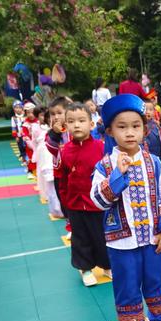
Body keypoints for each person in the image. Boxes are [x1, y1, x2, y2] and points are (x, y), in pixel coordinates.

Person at [91, 94, 161, 321]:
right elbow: (98, 200)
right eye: (122, 127)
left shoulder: (154, 163)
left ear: (144, 128)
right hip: (121, 243)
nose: (130, 133)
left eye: (135, 126)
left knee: (157, 278)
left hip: (153, 238)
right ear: (109, 131)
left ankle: (160, 316)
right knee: (126, 283)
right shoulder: (104, 166)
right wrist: (118, 175)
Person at [59, 102, 111, 286]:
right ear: (66, 125)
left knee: (101, 235)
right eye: (71, 121)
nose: (77, 125)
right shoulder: (65, 151)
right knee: (80, 237)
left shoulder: (101, 147)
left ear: (91, 123)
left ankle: (107, 265)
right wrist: (65, 202)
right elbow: (61, 177)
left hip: (97, 203)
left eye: (81, 120)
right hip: (74, 204)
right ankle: (86, 269)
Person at [46, 96, 73, 237]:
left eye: (59, 113)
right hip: (60, 174)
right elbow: (50, 147)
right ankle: (71, 226)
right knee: (64, 202)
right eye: (52, 114)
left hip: (76, 173)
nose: (56, 117)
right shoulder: (52, 133)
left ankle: (78, 226)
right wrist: (55, 132)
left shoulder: (74, 129)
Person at [143, 98, 161, 168]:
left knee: (158, 167)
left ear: (154, 112)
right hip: (145, 152)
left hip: (158, 151)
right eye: (145, 110)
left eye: (150, 110)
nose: (147, 112)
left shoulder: (157, 124)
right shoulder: (140, 125)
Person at [22, 102, 38, 179]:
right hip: (30, 145)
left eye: (32, 112)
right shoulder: (25, 124)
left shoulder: (39, 121)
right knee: (31, 158)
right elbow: (25, 135)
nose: (30, 114)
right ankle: (32, 172)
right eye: (28, 113)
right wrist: (31, 145)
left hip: (39, 143)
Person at [11, 100, 27, 165]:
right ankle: (23, 158)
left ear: (22, 108)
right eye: (16, 107)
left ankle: (28, 158)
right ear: (14, 109)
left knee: (27, 146)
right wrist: (16, 136)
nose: (18, 109)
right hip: (19, 135)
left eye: (19, 107)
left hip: (26, 135)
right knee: (21, 147)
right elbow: (13, 127)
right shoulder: (14, 118)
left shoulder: (25, 116)